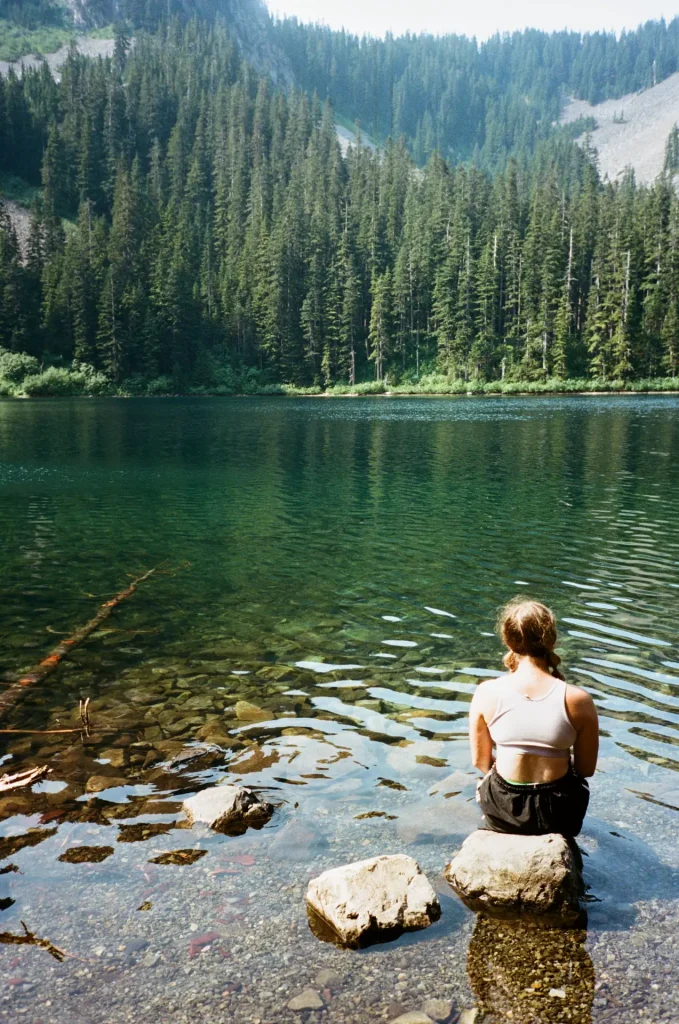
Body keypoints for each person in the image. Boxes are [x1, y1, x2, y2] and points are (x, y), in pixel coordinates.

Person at [469, 597, 599, 837]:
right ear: (552, 640)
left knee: (485, 780)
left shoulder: (486, 692)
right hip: (557, 816)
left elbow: (480, 762)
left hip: (503, 811)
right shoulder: (578, 699)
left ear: (508, 640)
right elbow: (586, 769)